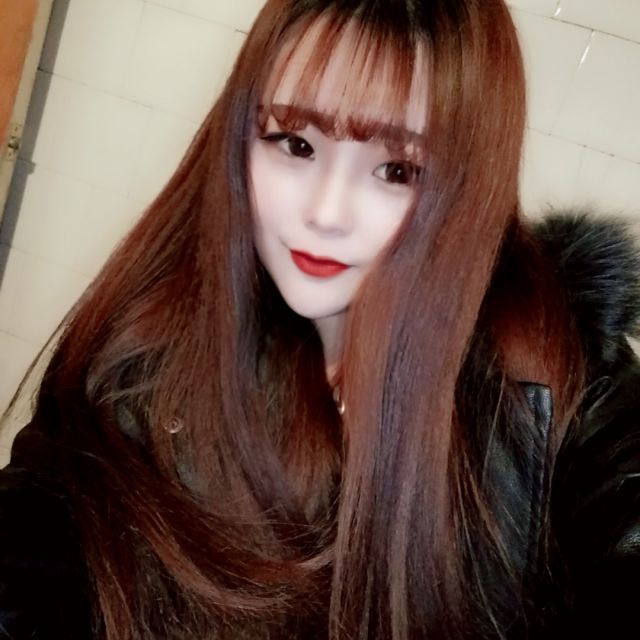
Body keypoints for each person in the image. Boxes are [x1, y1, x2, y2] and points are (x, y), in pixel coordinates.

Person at [1, 0, 640, 638]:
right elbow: (38, 532)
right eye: (296, 143)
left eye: (397, 170)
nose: (326, 213)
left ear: (468, 187)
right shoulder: (144, 352)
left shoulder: (556, 382)